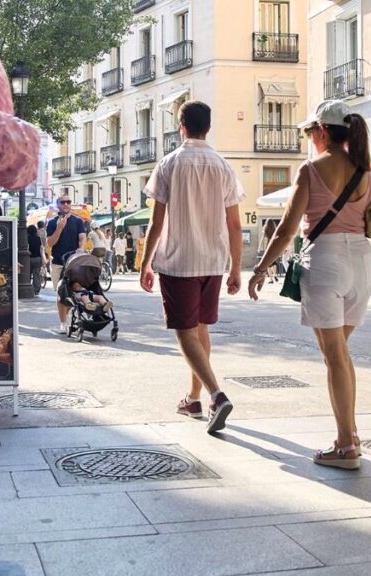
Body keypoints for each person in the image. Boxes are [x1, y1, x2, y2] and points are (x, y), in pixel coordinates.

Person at [250, 100, 371, 469]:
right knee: (340, 354)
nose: (309, 139)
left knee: (335, 356)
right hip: (360, 262)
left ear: (323, 132)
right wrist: (363, 219)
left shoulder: (310, 170)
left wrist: (260, 268)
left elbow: (288, 229)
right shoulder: (366, 174)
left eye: (310, 132)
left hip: (325, 260)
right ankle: (350, 433)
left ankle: (345, 446)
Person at [140, 101, 245, 434]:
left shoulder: (169, 164)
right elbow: (235, 225)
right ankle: (193, 398)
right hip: (212, 260)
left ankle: (216, 394)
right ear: (208, 128)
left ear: (180, 125)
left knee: (185, 332)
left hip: (178, 259)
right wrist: (235, 268)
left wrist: (146, 263)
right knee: (201, 328)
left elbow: (156, 223)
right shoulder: (223, 166)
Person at [46, 196, 86, 333]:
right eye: (63, 202)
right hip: (58, 263)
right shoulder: (52, 223)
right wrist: (59, 228)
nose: (66, 204)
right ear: (58, 205)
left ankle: (67, 315)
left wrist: (81, 249)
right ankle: (63, 322)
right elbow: (50, 243)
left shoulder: (78, 221)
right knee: (60, 293)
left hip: (74, 263)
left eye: (68, 202)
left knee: (74, 291)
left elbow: (82, 238)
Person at [27, 224, 45, 295]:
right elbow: (41, 248)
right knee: (36, 274)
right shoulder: (38, 238)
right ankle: (36, 290)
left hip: (28, 259)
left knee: (27, 274)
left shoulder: (27, 238)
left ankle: (27, 287)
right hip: (37, 258)